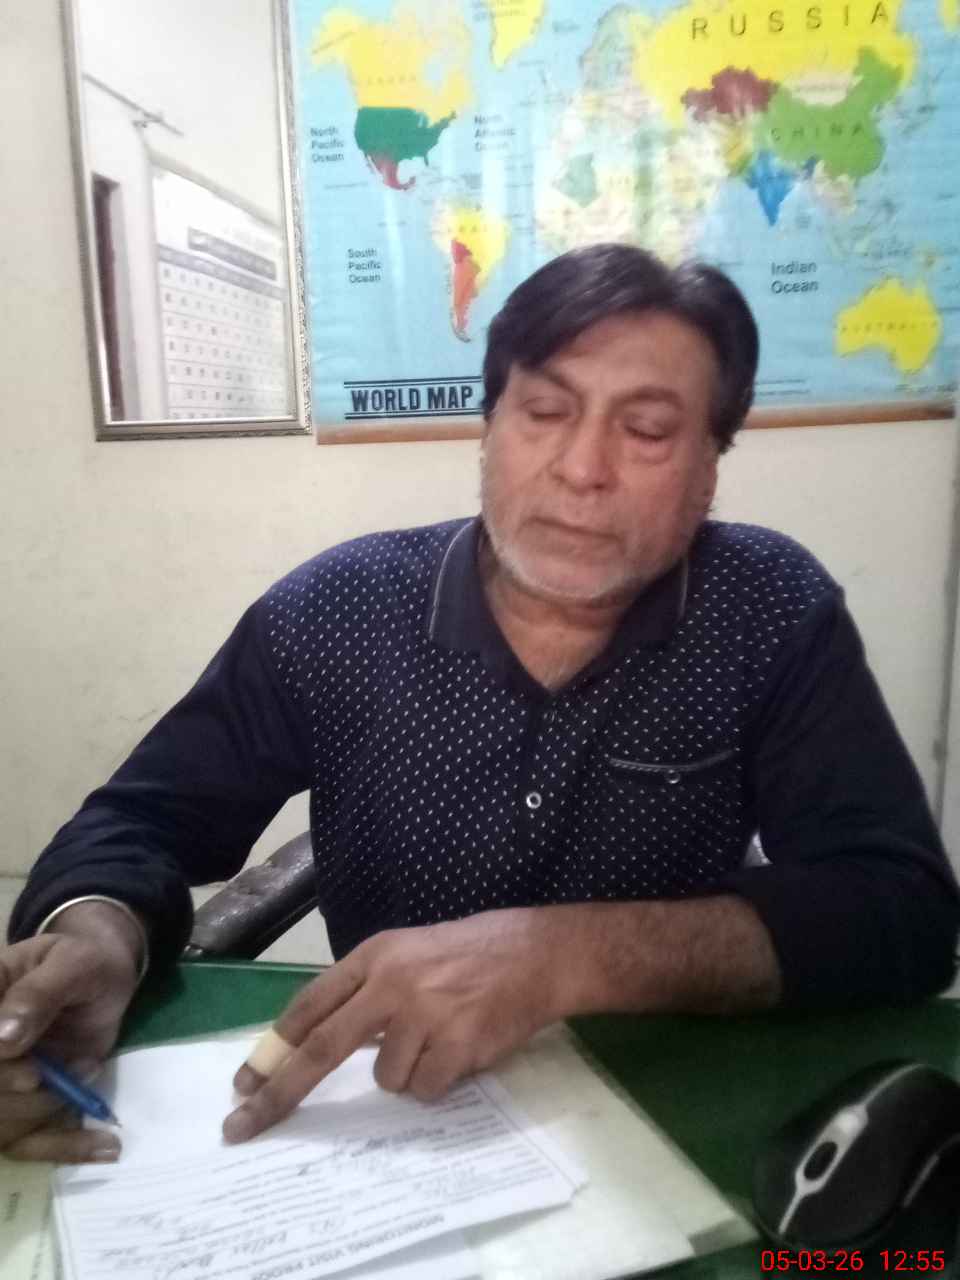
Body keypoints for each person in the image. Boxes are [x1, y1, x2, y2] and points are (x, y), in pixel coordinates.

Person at [2, 244, 957, 1162]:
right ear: (489, 428)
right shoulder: (335, 611)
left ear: (709, 468)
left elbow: (904, 911)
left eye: (646, 431)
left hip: (666, 1093)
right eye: (544, 411)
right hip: (392, 1111)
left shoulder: (767, 610)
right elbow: (142, 820)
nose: (582, 468)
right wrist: (97, 933)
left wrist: (566, 957)